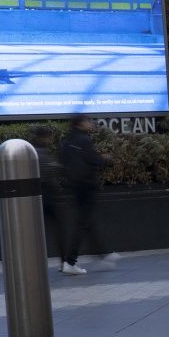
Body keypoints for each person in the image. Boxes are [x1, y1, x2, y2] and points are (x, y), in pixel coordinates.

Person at [59, 115, 116, 275]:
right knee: (82, 223)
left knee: (86, 222)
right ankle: (70, 261)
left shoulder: (67, 141)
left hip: (75, 187)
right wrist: (104, 158)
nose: (91, 123)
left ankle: (104, 254)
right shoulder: (84, 139)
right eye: (87, 121)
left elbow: (64, 163)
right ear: (80, 123)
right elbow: (93, 160)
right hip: (86, 186)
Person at [30, 126, 69, 270]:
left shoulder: (32, 152)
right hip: (48, 196)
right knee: (59, 230)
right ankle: (64, 261)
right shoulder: (42, 153)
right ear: (44, 137)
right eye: (49, 137)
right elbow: (49, 174)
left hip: (37, 196)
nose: (50, 140)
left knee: (37, 231)